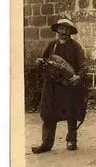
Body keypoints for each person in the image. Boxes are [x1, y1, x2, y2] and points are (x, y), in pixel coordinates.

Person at [31, 18, 87, 154]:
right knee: (48, 112)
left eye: (66, 29)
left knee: (71, 111)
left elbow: (83, 66)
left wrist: (78, 77)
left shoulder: (76, 47)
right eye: (60, 29)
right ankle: (46, 143)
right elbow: (44, 61)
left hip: (68, 85)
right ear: (57, 30)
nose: (63, 32)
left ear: (70, 32)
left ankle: (71, 140)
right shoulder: (52, 45)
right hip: (51, 85)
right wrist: (39, 62)